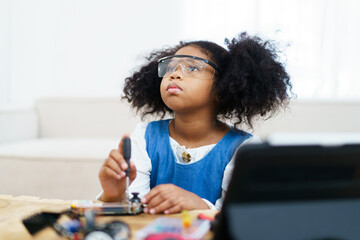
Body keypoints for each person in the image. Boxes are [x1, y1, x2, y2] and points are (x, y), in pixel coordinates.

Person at [98, 32, 292, 214]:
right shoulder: (145, 135)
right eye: (171, 67)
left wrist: (198, 205)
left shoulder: (244, 148)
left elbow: (240, 216)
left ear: (223, 85)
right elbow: (136, 206)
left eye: (192, 67)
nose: (174, 74)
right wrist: (114, 195)